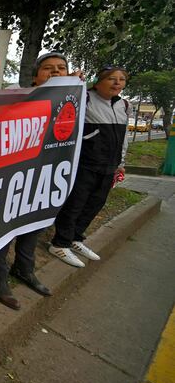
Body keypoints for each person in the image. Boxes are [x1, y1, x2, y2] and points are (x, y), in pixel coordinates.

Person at [0, 52, 83, 310]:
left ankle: (24, 269)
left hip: (46, 176)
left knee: (36, 221)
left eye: (61, 68)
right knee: (6, 226)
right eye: (48, 68)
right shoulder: (19, 96)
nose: (55, 72)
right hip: (14, 176)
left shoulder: (74, 99)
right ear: (35, 76)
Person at [49, 65, 129, 267]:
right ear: (98, 81)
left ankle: (75, 238)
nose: (117, 83)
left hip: (109, 166)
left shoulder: (123, 106)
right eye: (112, 78)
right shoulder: (84, 98)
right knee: (75, 204)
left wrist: (121, 163)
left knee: (95, 203)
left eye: (121, 79)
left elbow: (124, 137)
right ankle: (60, 243)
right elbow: (58, 101)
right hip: (85, 163)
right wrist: (73, 81)